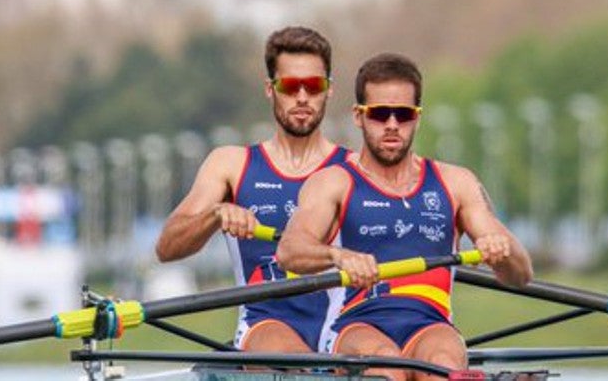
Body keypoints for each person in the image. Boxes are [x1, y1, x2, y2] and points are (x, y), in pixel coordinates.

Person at [277, 52, 532, 379]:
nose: (392, 125)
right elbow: (289, 251)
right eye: (380, 114)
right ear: (359, 116)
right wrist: (337, 256)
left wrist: (502, 254)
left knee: (443, 365)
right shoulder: (334, 182)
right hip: (355, 323)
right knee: (388, 367)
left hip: (431, 324)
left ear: (418, 117)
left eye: (404, 114)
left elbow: (520, 275)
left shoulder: (456, 183)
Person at [155, 26, 350, 352]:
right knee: (294, 361)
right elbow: (167, 247)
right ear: (269, 89)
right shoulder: (231, 164)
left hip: (344, 323)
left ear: (328, 90)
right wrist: (215, 216)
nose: (302, 97)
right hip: (266, 322)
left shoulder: (355, 169)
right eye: (290, 86)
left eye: (313, 86)